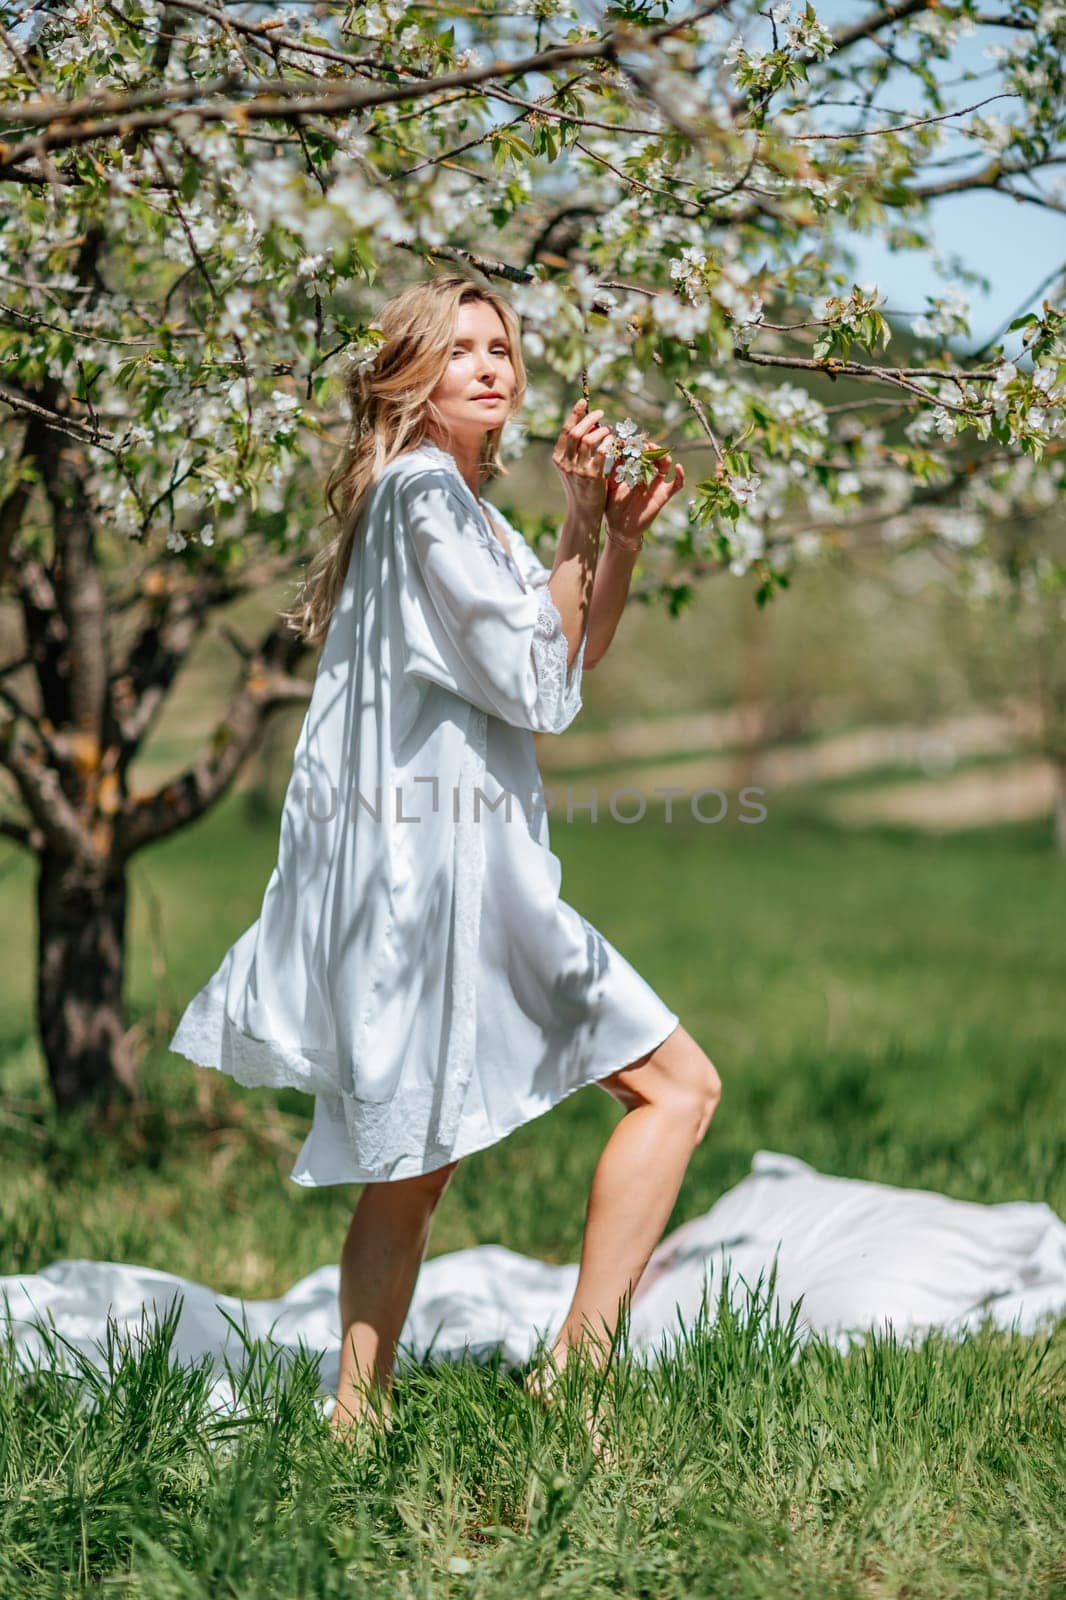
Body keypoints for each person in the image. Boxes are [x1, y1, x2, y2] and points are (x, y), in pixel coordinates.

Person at [168, 273, 722, 1444]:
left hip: (443, 875)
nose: (489, 366)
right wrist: (579, 528)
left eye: (501, 348)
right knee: (679, 1087)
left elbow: (561, 671)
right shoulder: (425, 495)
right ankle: (576, 1369)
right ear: (409, 377)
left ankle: (356, 1423)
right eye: (459, 348)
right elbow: (536, 679)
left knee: (415, 1162)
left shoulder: (458, 509)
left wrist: (605, 533)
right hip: (459, 878)